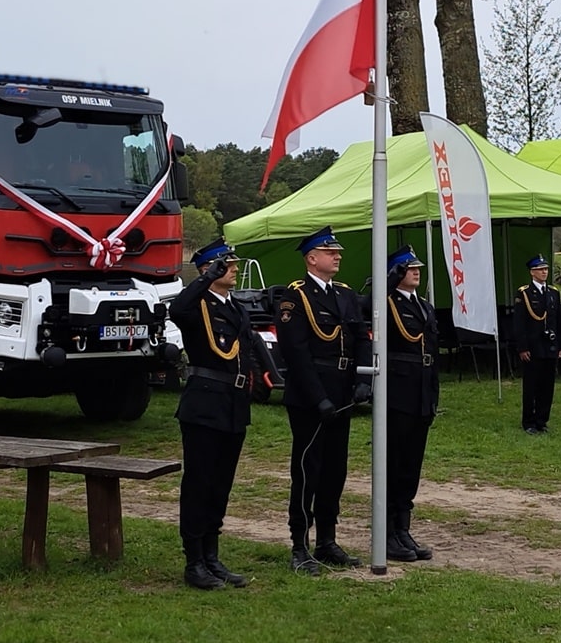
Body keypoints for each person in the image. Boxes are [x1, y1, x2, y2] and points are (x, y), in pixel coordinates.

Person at [277, 226, 370, 574]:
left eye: (338, 252)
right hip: (310, 396)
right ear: (312, 258)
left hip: (342, 391)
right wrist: (319, 399)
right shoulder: (295, 296)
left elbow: (362, 336)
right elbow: (296, 353)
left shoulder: (344, 295)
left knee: (335, 470)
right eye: (330, 252)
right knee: (307, 470)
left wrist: (362, 379)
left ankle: (327, 540)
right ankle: (299, 543)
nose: (338, 256)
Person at [171, 238, 255, 590]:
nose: (234, 269)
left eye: (233, 264)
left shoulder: (233, 307)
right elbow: (176, 310)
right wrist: (204, 279)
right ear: (210, 269)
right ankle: (194, 562)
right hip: (204, 404)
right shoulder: (198, 305)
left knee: (220, 485)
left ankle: (211, 555)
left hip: (233, 403)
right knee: (200, 483)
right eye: (227, 265)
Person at [383, 247, 439, 562]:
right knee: (394, 463)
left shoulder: (426, 308)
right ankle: (388, 531)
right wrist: (386, 286)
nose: (416, 272)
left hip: (420, 392)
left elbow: (431, 353)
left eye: (418, 268)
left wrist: (433, 396)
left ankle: (404, 527)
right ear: (396, 273)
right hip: (399, 392)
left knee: (411, 467)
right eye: (409, 268)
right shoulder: (387, 302)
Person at [513, 255, 561, 430]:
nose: (544, 272)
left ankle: (542, 420)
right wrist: (522, 347)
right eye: (540, 270)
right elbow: (519, 323)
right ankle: (528, 421)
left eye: (546, 269)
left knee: (547, 385)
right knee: (531, 386)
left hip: (549, 346)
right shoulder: (525, 293)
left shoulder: (553, 293)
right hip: (533, 346)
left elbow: (559, 320)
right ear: (532, 272)